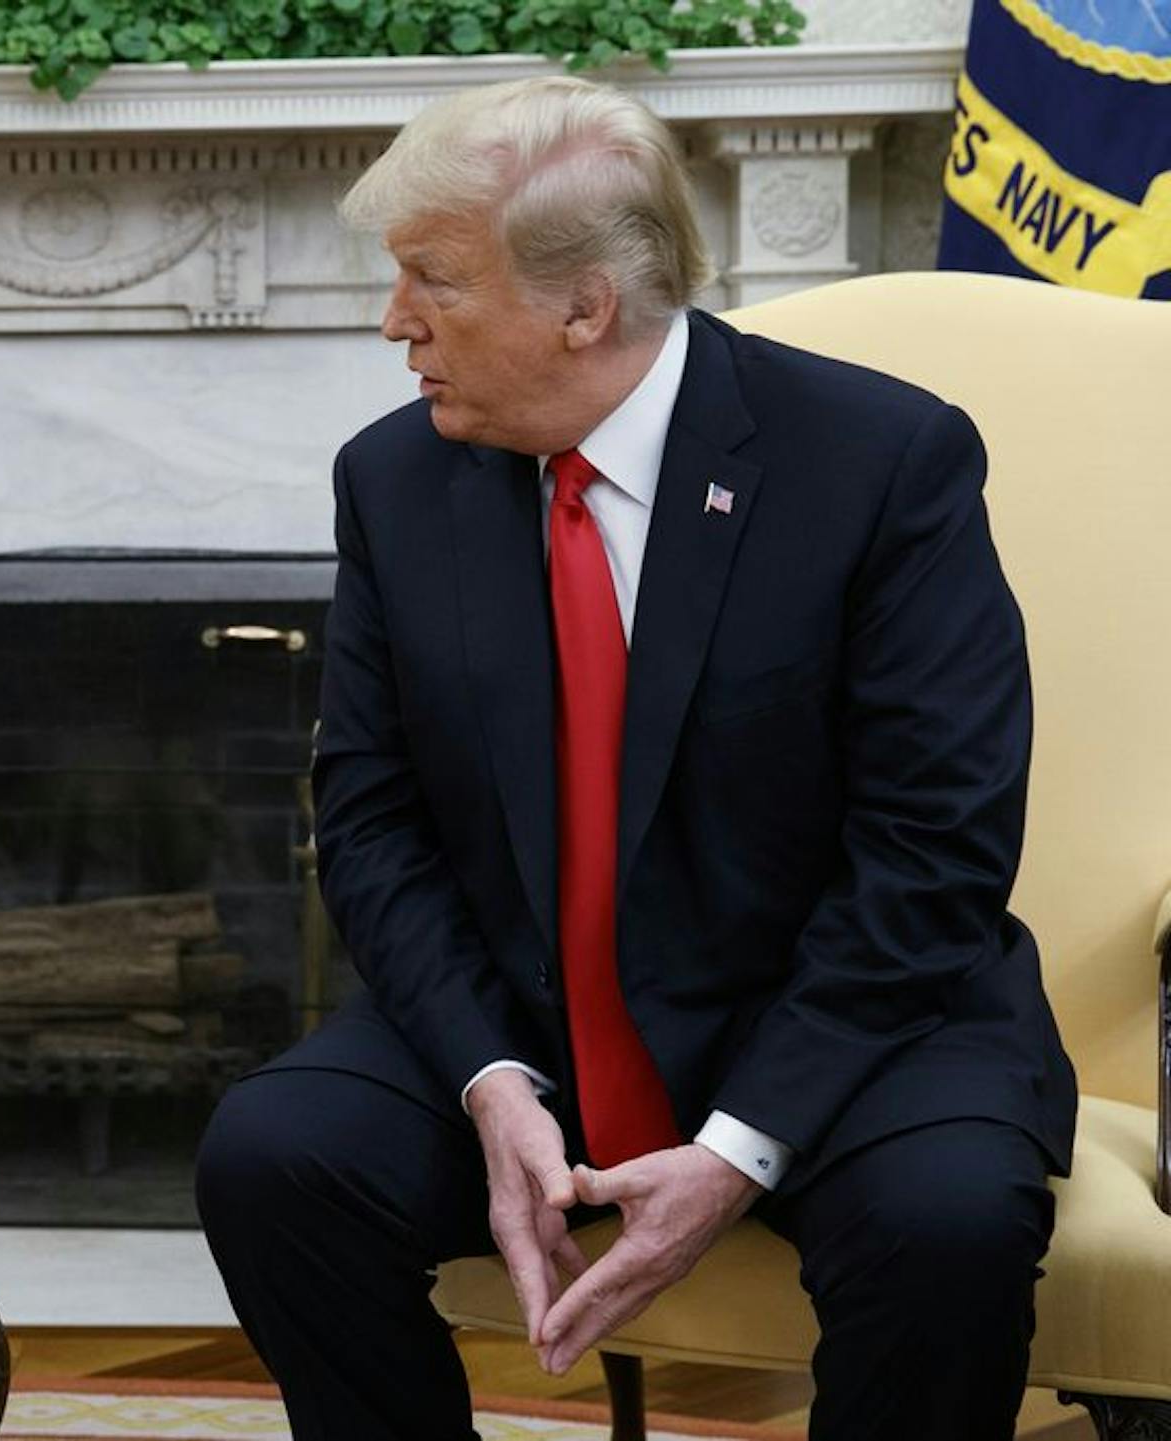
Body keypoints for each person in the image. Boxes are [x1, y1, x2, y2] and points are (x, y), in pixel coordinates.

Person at [195, 77, 1078, 1441]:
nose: (395, 322)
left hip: (846, 1023)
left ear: (584, 307)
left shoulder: (880, 461)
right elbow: (369, 819)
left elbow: (935, 847)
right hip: (529, 1019)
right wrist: (491, 1081)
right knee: (275, 1160)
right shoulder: (396, 481)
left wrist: (736, 1149)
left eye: (432, 281)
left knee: (948, 1227)